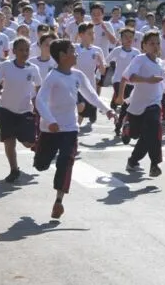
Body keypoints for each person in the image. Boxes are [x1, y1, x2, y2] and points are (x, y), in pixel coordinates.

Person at [35, 40, 115, 218]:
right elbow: (39, 101)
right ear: (63, 55)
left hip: (70, 128)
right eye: (73, 50)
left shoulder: (78, 75)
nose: (77, 53)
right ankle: (38, 149)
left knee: (66, 160)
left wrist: (107, 110)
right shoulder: (52, 76)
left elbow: (91, 95)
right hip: (50, 129)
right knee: (41, 165)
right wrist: (50, 120)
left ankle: (58, 201)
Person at [120, 31, 165, 177]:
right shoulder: (140, 59)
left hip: (154, 103)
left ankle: (154, 164)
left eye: (157, 43)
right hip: (138, 104)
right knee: (138, 135)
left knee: (153, 129)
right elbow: (129, 77)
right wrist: (147, 79)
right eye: (151, 43)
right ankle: (133, 158)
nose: (156, 46)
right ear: (144, 46)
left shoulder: (160, 62)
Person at [0, 37, 42, 183]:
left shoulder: (33, 68)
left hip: (25, 110)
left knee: (28, 143)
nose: (24, 52)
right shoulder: (6, 66)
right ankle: (14, 169)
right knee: (9, 141)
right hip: (5, 109)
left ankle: (38, 146)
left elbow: (39, 88)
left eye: (27, 50)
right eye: (21, 50)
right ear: (14, 51)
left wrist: (39, 106)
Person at [108, 28, 140, 137]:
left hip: (132, 83)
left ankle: (119, 124)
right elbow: (106, 61)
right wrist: (99, 73)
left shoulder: (137, 53)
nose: (128, 39)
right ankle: (121, 125)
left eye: (131, 37)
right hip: (118, 81)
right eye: (125, 37)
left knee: (126, 105)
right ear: (121, 38)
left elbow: (141, 67)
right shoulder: (117, 50)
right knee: (124, 103)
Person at [75, 22, 107, 124]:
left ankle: (76, 129)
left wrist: (100, 61)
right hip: (75, 84)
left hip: (90, 85)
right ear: (81, 35)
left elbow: (103, 71)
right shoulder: (74, 48)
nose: (93, 35)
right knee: (80, 107)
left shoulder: (97, 50)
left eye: (93, 33)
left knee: (87, 114)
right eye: (89, 33)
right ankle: (74, 132)